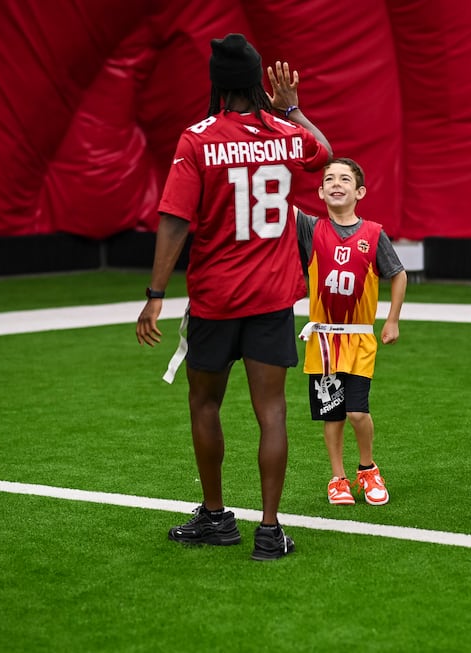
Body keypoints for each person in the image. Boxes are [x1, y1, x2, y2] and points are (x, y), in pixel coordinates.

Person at [135, 33, 332, 561]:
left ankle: (217, 516)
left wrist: (156, 293)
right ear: (256, 80)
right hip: (272, 296)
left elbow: (175, 220)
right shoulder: (283, 133)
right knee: (272, 411)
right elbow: (324, 153)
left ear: (217, 84)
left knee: (205, 403)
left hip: (216, 297)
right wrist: (291, 107)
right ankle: (269, 530)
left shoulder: (197, 139)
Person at [296, 158, 407, 507]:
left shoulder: (373, 233)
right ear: (320, 191)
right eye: (329, 179)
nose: (336, 183)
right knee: (332, 414)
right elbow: (280, 201)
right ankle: (338, 477)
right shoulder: (310, 228)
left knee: (357, 412)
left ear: (359, 192)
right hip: (323, 341)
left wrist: (392, 319)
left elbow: (398, 274)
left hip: (359, 338)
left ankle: (368, 468)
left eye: (345, 179)